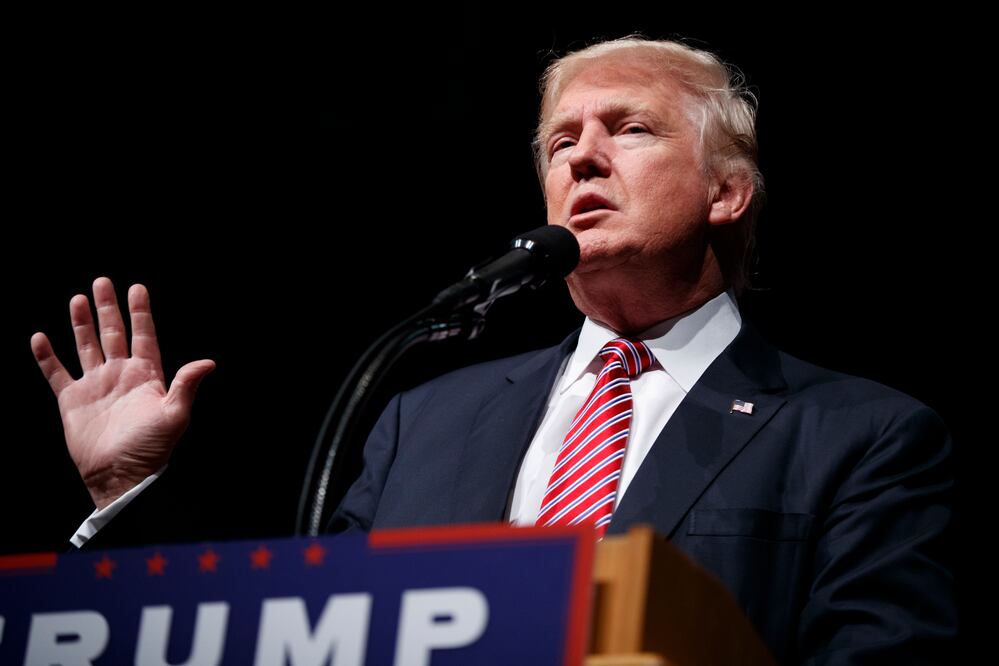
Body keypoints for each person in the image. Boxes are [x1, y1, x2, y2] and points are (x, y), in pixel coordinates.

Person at [33, 37, 955, 664]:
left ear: (726, 192)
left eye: (628, 129)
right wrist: (130, 491)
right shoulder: (423, 417)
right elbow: (299, 637)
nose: (582, 159)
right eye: (561, 141)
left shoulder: (860, 437)